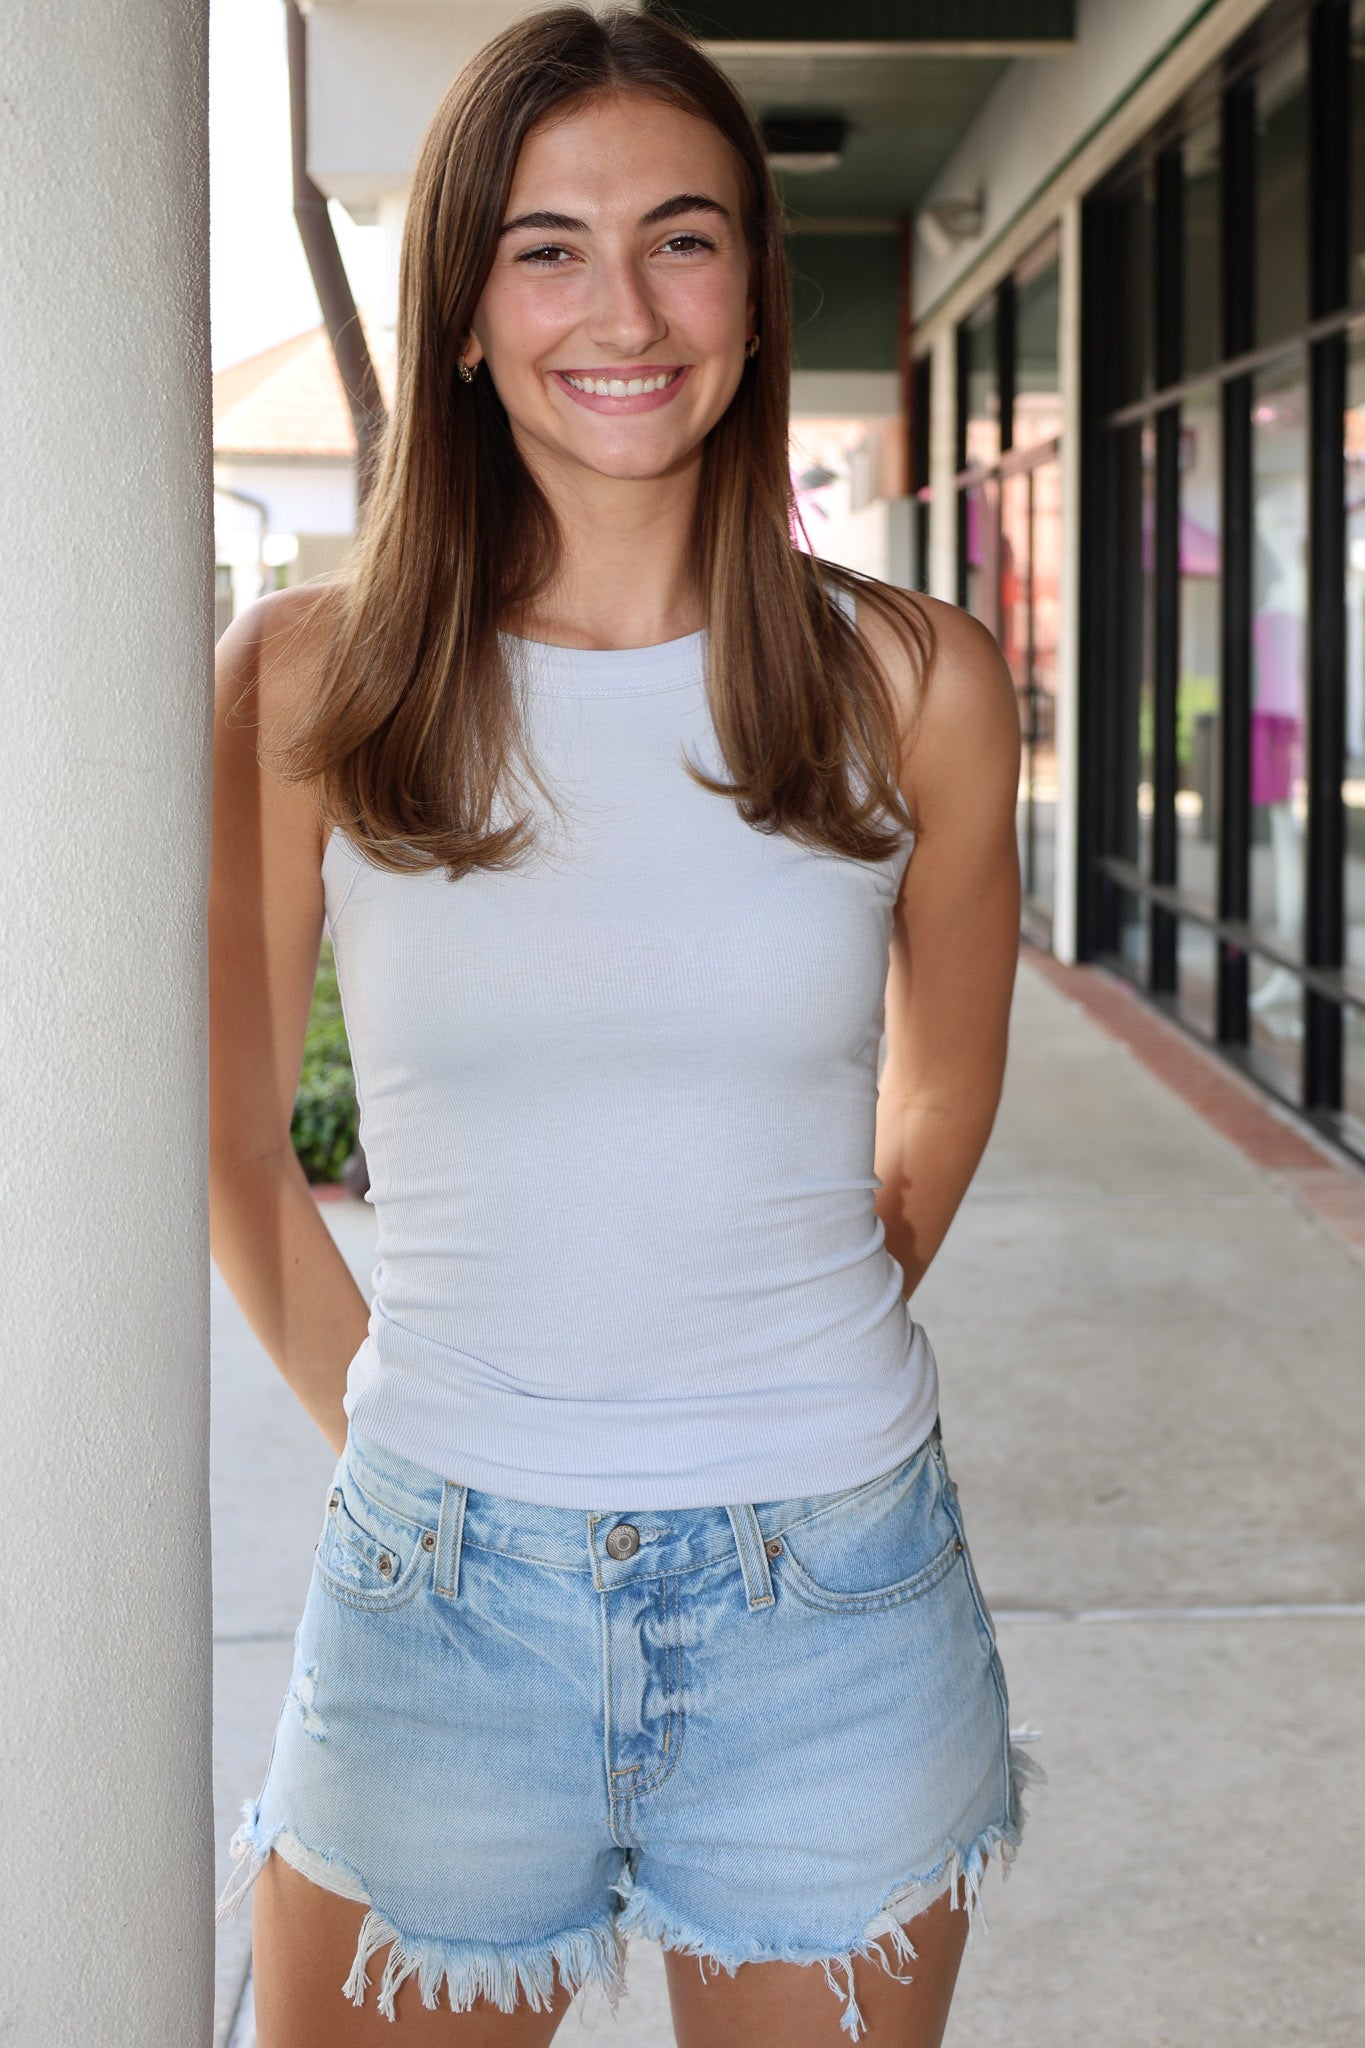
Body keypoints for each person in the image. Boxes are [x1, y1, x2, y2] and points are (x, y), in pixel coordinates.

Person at [209, 8, 1038, 2044]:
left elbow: (934, 1096)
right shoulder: (307, 685)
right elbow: (229, 1142)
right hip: (435, 1595)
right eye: (544, 245)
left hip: (834, 1598)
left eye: (679, 238)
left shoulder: (909, 682)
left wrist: (766, 1330)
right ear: (466, 314)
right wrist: (425, 1456)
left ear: (753, 290)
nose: (623, 308)